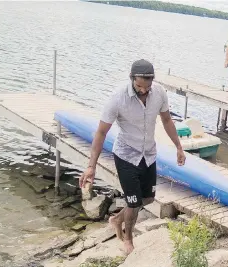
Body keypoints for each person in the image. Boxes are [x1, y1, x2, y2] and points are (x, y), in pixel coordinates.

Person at [78, 59, 186, 255]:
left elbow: (167, 120)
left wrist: (179, 146)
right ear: (131, 79)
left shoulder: (159, 93)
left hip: (149, 154)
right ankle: (128, 239)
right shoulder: (118, 98)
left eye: (147, 86)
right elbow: (101, 132)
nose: (143, 91)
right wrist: (91, 166)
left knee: (148, 198)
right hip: (126, 155)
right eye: (139, 86)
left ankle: (117, 219)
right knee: (134, 201)